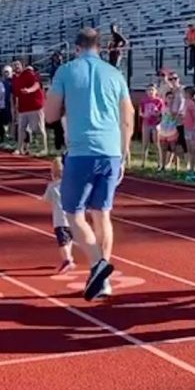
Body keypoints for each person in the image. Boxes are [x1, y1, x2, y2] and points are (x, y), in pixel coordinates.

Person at [44, 28, 134, 301]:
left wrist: (66, 107)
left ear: (76, 47)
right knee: (102, 213)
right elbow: (128, 114)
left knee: (73, 213)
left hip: (82, 151)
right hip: (110, 151)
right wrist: (125, 149)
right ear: (100, 47)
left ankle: (98, 264)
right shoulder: (114, 73)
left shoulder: (66, 71)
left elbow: (49, 115)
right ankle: (102, 282)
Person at [43, 158, 75, 273]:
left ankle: (67, 260)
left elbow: (46, 199)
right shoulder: (70, 184)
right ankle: (69, 257)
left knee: (62, 242)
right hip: (72, 217)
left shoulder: (52, 186)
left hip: (60, 220)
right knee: (69, 239)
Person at [12, 61, 48, 156]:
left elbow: (36, 85)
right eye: (14, 66)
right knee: (21, 128)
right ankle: (19, 148)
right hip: (23, 107)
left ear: (22, 66)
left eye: (17, 65)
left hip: (35, 105)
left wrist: (29, 90)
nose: (16, 67)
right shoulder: (15, 78)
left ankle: (43, 149)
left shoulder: (28, 73)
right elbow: (16, 94)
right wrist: (16, 106)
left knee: (39, 128)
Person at [139, 84, 164, 169]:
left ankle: (159, 163)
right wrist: (144, 115)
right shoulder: (144, 101)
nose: (150, 92)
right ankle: (143, 162)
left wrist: (157, 114)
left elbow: (162, 112)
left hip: (155, 123)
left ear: (156, 91)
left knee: (156, 143)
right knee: (145, 143)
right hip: (146, 123)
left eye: (152, 90)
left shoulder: (159, 101)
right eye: (149, 90)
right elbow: (140, 112)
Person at [157, 91, 181, 172]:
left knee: (174, 148)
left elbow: (174, 117)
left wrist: (171, 107)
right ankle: (162, 165)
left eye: (172, 98)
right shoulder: (163, 107)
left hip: (172, 130)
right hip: (163, 130)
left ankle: (177, 166)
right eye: (169, 98)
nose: (170, 100)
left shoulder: (175, 108)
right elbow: (161, 116)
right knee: (163, 148)